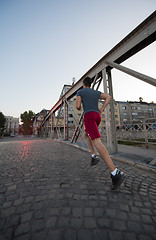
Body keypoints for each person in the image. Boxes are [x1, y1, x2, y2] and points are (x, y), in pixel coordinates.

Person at [76, 77, 124, 190]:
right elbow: (108, 97)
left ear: (83, 84)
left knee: (97, 141)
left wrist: (80, 105)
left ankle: (115, 172)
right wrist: (102, 108)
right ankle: (93, 156)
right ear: (90, 84)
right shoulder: (96, 92)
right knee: (86, 134)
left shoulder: (80, 91)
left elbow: (77, 106)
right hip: (97, 116)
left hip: (89, 116)